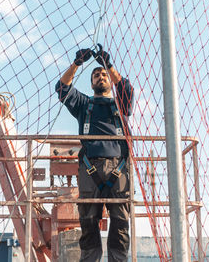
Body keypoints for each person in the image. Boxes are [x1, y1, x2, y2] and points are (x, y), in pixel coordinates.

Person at [55, 45, 134, 262]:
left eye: (104, 75)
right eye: (96, 75)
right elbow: (62, 88)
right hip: (90, 169)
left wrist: (108, 65)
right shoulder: (84, 104)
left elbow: (126, 88)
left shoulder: (121, 104)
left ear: (109, 80)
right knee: (88, 222)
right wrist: (77, 63)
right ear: (91, 83)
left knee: (120, 223)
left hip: (118, 167)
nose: (100, 76)